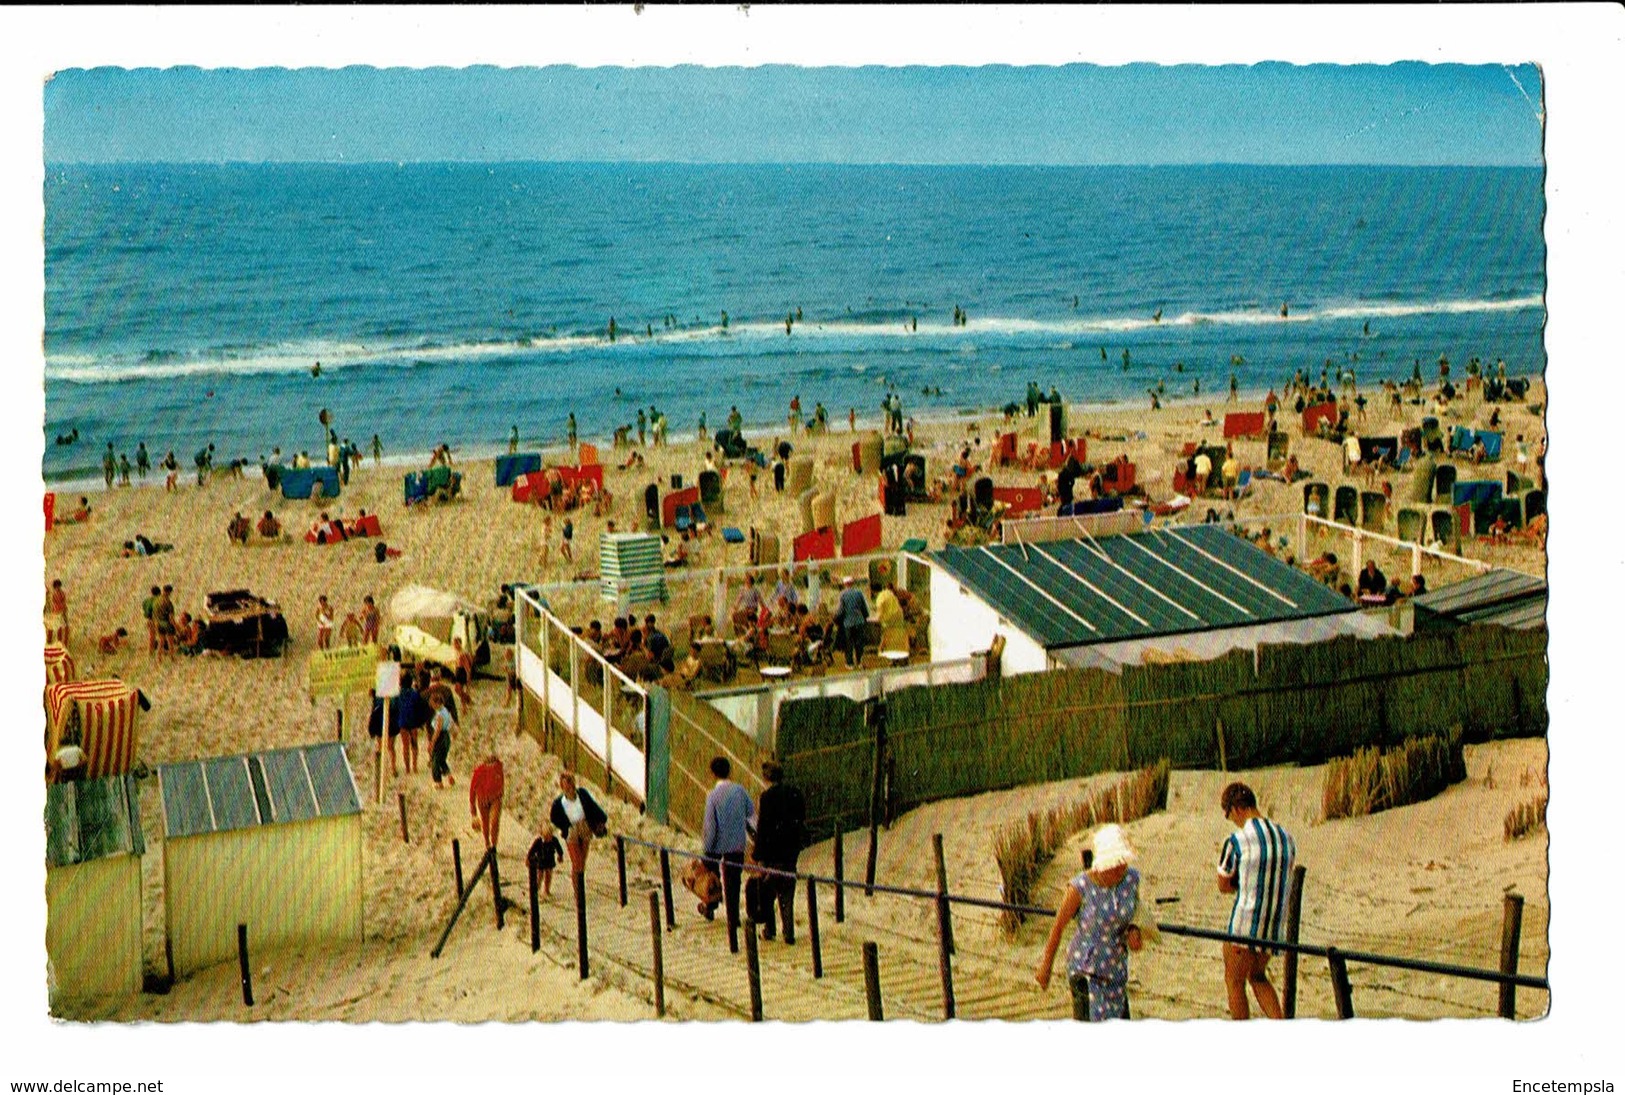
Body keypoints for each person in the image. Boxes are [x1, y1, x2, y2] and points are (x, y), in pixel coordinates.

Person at [1034, 824, 1144, 1021]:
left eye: (1123, 864)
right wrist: (1046, 966)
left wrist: (1134, 931)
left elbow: (1134, 914)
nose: (1120, 870)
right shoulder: (1080, 887)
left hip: (1115, 968)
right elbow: (1058, 927)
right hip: (1086, 970)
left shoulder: (1131, 880)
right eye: (1113, 866)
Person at [1216, 782, 1297, 1020]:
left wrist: (1239, 884)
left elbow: (1223, 884)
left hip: (1245, 922)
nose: (1233, 822)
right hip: (1273, 926)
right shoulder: (1286, 838)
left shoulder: (1238, 840)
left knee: (1234, 980)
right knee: (1258, 977)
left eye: (1230, 816)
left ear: (1236, 809)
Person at [749, 760, 807, 944]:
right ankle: (788, 933)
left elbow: (763, 827)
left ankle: (770, 929)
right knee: (787, 892)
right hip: (790, 853)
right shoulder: (796, 794)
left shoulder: (766, 798)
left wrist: (757, 854)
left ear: (766, 778)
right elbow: (801, 821)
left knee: (767, 892)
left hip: (771, 854)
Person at [701, 756, 754, 950]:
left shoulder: (712, 796)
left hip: (717, 845)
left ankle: (710, 906)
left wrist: (707, 848)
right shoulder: (740, 791)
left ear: (713, 774)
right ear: (729, 771)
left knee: (711, 876)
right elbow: (750, 814)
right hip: (736, 845)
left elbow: (711, 827)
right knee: (733, 882)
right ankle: (733, 917)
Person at [549, 770, 609, 875]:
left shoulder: (582, 794)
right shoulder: (559, 803)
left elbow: (593, 807)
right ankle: (578, 891)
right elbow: (554, 818)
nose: (569, 788)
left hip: (584, 826)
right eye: (566, 786)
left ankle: (580, 889)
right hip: (571, 829)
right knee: (577, 863)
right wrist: (565, 826)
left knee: (582, 862)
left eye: (570, 784)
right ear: (562, 787)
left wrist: (602, 820)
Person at [469, 755, 505, 850]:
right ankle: (487, 843)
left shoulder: (499, 768)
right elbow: (472, 792)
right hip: (482, 800)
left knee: (494, 821)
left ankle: (493, 845)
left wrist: (500, 794)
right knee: (485, 823)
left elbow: (501, 784)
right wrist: (473, 813)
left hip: (495, 799)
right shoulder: (478, 772)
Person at [837, 575, 870, 668]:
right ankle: (860, 662)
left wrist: (837, 618)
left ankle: (849, 663)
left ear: (845, 584)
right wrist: (865, 617)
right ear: (852, 583)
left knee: (849, 644)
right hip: (859, 621)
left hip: (848, 623)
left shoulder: (843, 595)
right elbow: (864, 607)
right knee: (859, 643)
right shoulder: (859, 593)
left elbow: (841, 610)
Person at [527, 823, 566, 899]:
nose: (549, 838)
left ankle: (547, 890)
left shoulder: (554, 840)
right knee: (539, 877)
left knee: (548, 876)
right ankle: (536, 890)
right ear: (542, 835)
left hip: (550, 861)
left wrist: (560, 856)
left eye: (550, 835)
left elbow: (559, 848)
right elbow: (531, 851)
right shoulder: (538, 842)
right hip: (540, 861)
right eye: (546, 836)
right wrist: (528, 858)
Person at [427, 689, 456, 789]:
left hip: (440, 738)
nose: (431, 705)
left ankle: (438, 782)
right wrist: (453, 734)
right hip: (446, 737)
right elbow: (452, 724)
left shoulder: (439, 714)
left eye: (432, 703)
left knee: (435, 760)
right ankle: (448, 775)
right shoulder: (446, 711)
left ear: (436, 703)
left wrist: (432, 742)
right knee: (442, 759)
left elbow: (437, 730)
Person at [47, 579, 69, 645]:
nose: (57, 588)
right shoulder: (53, 594)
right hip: (55, 613)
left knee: (61, 628)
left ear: (60, 586)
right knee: (52, 627)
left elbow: (64, 603)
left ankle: (60, 642)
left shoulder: (62, 594)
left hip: (61, 612)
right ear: (54, 587)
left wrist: (64, 612)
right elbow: (52, 604)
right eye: (56, 587)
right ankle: (49, 641)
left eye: (58, 586)